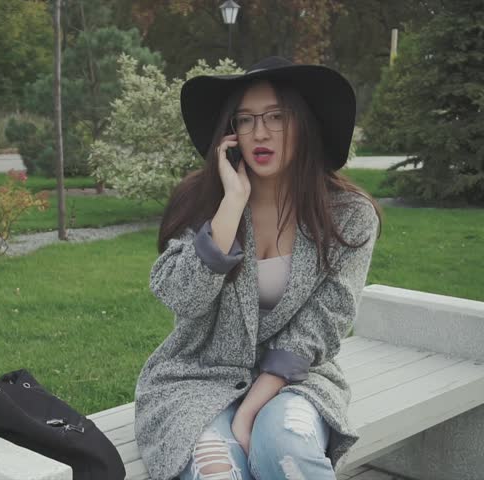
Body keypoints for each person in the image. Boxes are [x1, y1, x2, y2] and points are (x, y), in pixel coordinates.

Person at [133, 56, 383, 480]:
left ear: (305, 124)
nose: (260, 133)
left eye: (276, 117)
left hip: (297, 378)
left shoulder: (348, 216)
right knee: (217, 471)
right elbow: (181, 297)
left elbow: (325, 321)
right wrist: (231, 205)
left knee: (286, 450)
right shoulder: (202, 200)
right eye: (245, 119)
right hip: (195, 377)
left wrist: (249, 410)